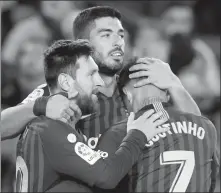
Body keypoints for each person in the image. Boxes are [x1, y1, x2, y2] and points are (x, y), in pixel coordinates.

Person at [1, 6, 201, 142]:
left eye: (121, 35)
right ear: (81, 44)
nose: (117, 42)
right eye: (106, 35)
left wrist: (175, 85)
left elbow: (199, 137)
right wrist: (41, 106)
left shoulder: (140, 87)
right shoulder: (60, 88)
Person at [15, 39, 169, 192]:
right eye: (91, 74)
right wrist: (138, 135)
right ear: (66, 83)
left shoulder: (58, 126)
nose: (100, 82)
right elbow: (106, 177)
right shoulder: (49, 128)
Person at [96, 61, 220, 192]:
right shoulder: (207, 127)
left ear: (127, 93)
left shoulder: (120, 132)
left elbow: (100, 182)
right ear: (167, 94)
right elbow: (210, 183)